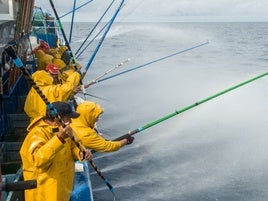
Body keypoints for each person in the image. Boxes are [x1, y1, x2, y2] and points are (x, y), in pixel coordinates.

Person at [20, 101, 93, 201]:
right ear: (57, 118)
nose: (71, 121)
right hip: (45, 193)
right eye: (68, 118)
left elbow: (74, 146)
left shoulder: (64, 129)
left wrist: (81, 153)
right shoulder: (36, 134)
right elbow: (38, 160)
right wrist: (59, 138)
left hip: (63, 188)